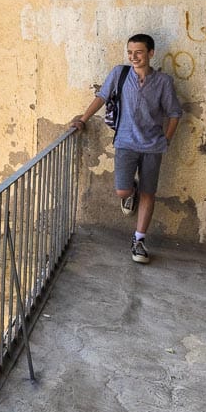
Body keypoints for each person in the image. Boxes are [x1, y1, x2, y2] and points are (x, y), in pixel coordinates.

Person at [73, 34, 182, 264]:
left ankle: (139, 240)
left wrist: (167, 140)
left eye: (139, 52)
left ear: (151, 53)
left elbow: (174, 113)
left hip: (153, 145)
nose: (133, 57)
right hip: (125, 143)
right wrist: (82, 119)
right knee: (122, 191)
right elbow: (101, 97)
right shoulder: (120, 73)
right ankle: (129, 191)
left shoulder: (163, 82)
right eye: (130, 52)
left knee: (148, 192)